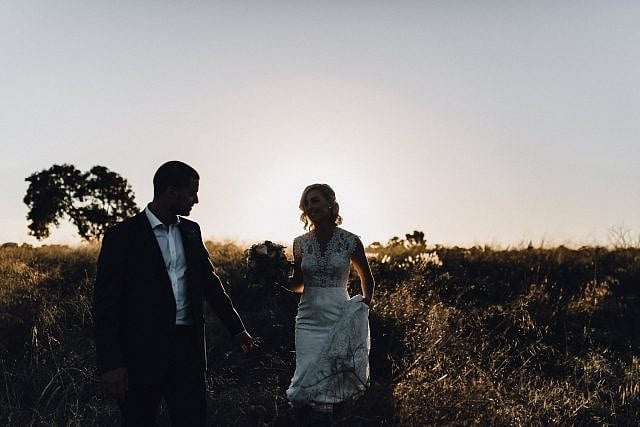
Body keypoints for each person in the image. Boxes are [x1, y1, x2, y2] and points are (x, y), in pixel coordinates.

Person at [93, 160, 253, 426]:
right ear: (171, 191)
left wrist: (237, 329)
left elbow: (210, 284)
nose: (196, 200)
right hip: (140, 355)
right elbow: (105, 303)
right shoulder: (122, 236)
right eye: (192, 192)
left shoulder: (191, 231)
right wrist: (111, 364)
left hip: (187, 351)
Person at [285, 183, 375, 415]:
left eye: (315, 200)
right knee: (308, 366)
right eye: (307, 202)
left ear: (330, 204)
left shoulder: (350, 241)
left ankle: (332, 415)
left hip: (338, 312)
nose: (310, 206)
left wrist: (363, 308)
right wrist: (274, 276)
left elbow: (367, 277)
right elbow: (298, 284)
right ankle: (308, 415)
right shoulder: (299, 243)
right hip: (308, 315)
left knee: (335, 368)